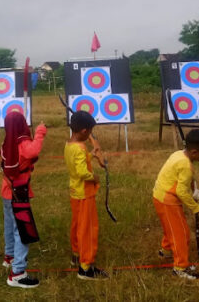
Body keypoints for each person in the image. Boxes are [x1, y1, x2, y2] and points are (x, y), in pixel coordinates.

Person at [152, 128, 199, 280]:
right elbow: (181, 192)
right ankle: (180, 267)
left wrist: (193, 188)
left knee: (171, 228)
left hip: (160, 196)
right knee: (181, 234)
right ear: (194, 152)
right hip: (168, 200)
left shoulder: (179, 154)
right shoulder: (186, 165)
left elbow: (184, 179)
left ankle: (166, 252)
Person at [0, 111, 46, 288]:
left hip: (7, 191)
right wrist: (40, 131)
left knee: (10, 226)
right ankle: (17, 273)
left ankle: (9, 256)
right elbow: (33, 150)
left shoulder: (7, 141)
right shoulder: (22, 142)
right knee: (22, 230)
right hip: (18, 192)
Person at [64, 111, 108, 280]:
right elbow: (82, 172)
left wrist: (92, 154)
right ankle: (86, 267)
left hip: (75, 193)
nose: (90, 135)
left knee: (77, 224)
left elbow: (78, 163)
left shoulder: (69, 145)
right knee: (88, 228)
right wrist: (94, 177)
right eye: (90, 132)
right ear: (84, 131)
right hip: (84, 193)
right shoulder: (80, 147)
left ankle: (76, 254)